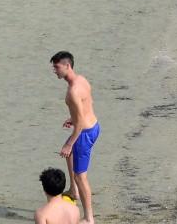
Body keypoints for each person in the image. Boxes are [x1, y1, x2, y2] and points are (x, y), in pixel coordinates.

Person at [51, 51, 100, 224]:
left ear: (67, 66)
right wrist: (73, 118)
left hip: (84, 134)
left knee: (81, 176)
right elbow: (87, 103)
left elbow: (79, 124)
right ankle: (73, 191)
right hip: (94, 126)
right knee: (71, 156)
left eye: (56, 67)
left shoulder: (73, 90)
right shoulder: (81, 80)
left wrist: (70, 142)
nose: (54, 71)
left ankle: (88, 219)